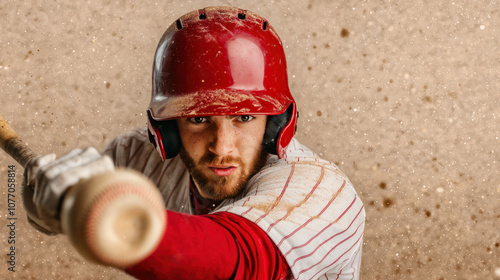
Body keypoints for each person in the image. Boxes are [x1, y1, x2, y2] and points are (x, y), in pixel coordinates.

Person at [22, 6, 365, 280]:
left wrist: (104, 216)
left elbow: (243, 262)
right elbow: (62, 199)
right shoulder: (140, 156)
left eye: (244, 117)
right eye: (198, 119)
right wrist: (44, 200)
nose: (222, 147)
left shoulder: (322, 192)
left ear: (277, 123)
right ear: (167, 129)